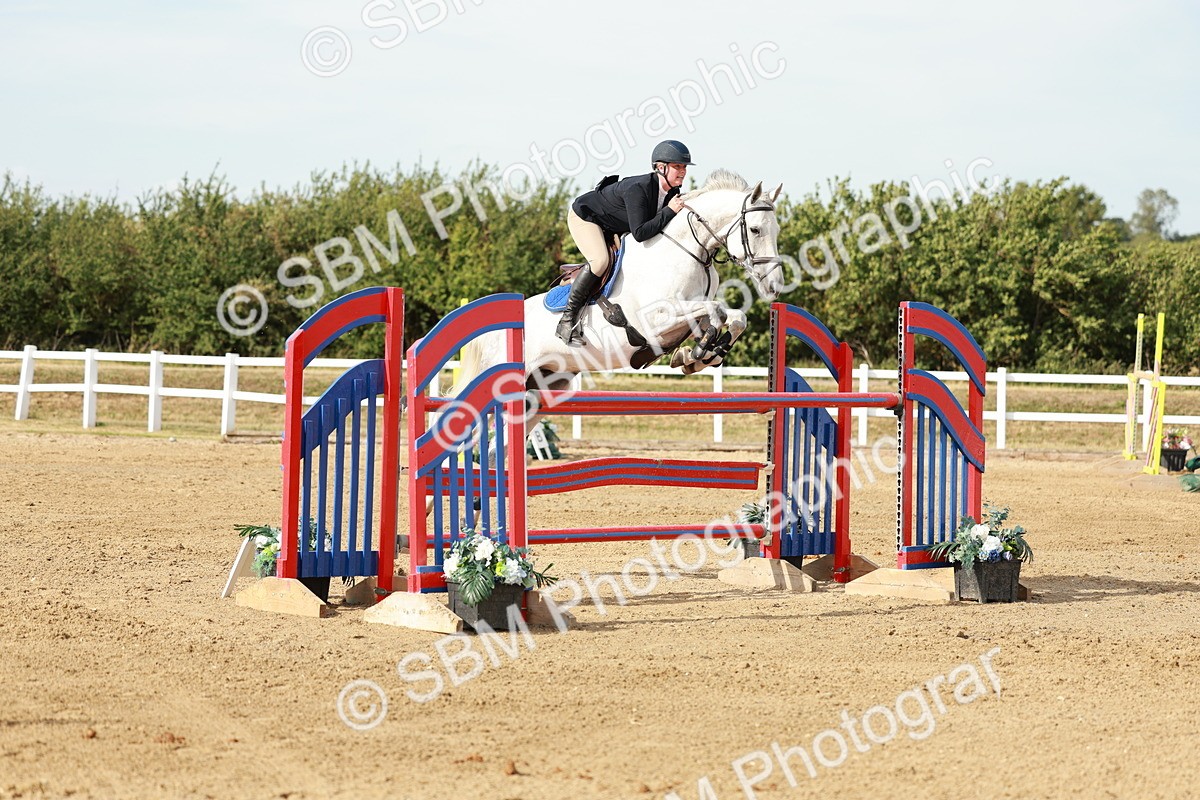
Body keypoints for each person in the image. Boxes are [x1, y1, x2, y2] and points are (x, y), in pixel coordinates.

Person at [555, 139, 694, 346]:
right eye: (677, 166)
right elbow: (640, 233)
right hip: (586, 217)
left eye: (683, 167)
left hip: (614, 226)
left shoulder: (672, 193)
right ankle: (567, 321)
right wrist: (669, 211)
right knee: (600, 261)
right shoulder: (639, 188)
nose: (682, 171)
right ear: (660, 167)